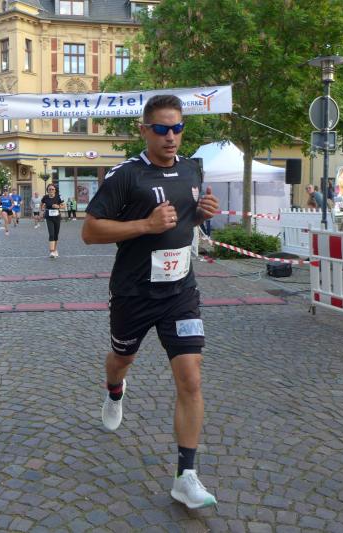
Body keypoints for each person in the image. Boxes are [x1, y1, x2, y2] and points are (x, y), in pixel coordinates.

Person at [82, 94, 220, 509]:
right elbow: (90, 231)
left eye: (177, 128)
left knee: (191, 378)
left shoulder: (192, 168)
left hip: (180, 291)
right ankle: (114, 390)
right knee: (121, 359)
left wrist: (202, 213)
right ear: (144, 130)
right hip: (134, 291)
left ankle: (186, 476)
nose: (170, 136)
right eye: (161, 129)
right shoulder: (126, 175)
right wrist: (144, 224)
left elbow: (183, 221)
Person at [41, 184, 65, 258]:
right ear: (47, 190)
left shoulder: (59, 197)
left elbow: (64, 206)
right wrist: (42, 210)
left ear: (55, 190)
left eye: (52, 189)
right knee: (51, 234)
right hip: (49, 218)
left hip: (57, 218)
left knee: (56, 234)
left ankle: (55, 249)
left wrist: (58, 206)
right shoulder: (45, 197)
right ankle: (51, 251)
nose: (51, 190)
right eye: (49, 189)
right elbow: (41, 205)